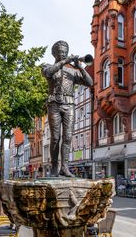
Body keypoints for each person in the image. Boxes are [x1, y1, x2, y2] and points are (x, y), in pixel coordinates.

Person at [42, 40, 93, 177]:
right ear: (55, 54)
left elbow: (90, 82)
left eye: (65, 52)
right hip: (54, 104)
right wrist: (65, 62)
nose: (64, 54)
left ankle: (64, 167)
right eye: (61, 52)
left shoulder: (72, 71)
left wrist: (80, 67)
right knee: (55, 138)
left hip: (69, 104)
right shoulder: (47, 66)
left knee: (68, 137)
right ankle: (54, 167)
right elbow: (48, 73)